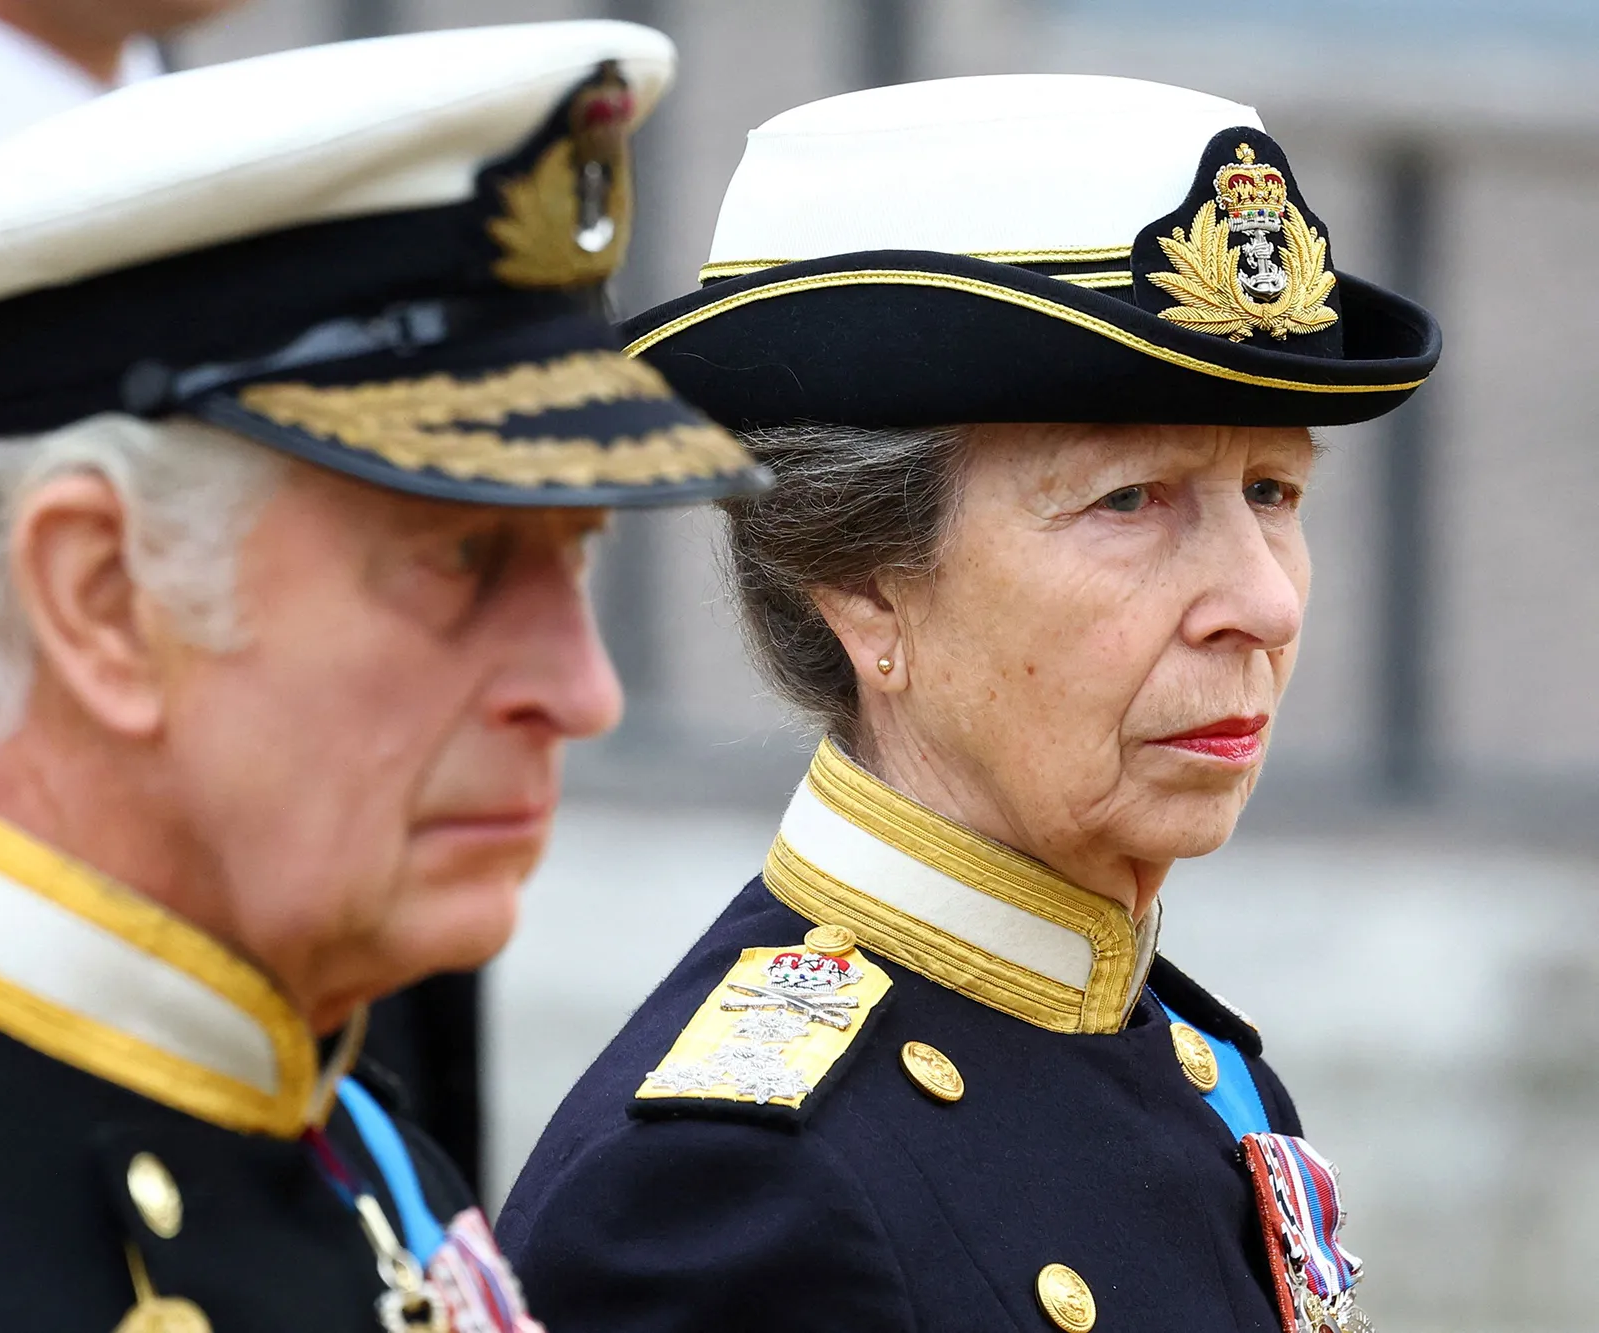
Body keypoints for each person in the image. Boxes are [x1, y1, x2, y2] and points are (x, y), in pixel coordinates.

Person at [0, 21, 765, 1329]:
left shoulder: (364, 1160)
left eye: (573, 560)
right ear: (99, 596)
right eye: (459, 561)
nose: (584, 692)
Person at [499, 75, 1439, 1333]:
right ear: (862, 584)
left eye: (1272, 492)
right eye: (1129, 499)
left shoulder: (1201, 1073)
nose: (1259, 603)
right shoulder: (733, 1195)